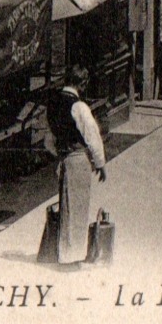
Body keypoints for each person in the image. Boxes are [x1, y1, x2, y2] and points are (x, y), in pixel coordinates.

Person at [47, 65, 107, 267]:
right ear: (82, 83)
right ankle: (73, 256)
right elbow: (92, 136)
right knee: (79, 207)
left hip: (64, 159)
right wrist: (100, 163)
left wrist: (60, 154)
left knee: (66, 206)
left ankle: (64, 253)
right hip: (79, 159)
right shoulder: (79, 106)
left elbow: (48, 139)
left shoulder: (53, 105)